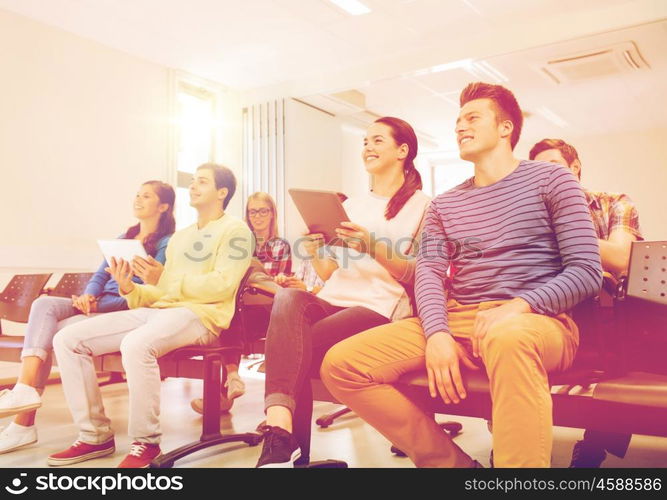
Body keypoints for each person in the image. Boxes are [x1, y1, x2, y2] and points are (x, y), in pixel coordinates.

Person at [321, 82, 603, 468]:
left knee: (509, 336)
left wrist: (517, 307)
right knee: (343, 364)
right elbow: (429, 275)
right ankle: (452, 468)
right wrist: (436, 333)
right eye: (457, 121)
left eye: (472, 118)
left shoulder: (553, 181)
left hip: (536, 320)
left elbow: (587, 270)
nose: (460, 127)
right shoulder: (445, 204)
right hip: (458, 318)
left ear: (505, 129)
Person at [47, 164, 252, 468]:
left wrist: (165, 280)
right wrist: (131, 288)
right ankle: (94, 435)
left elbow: (222, 286)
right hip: (161, 311)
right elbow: (160, 292)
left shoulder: (236, 231)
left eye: (203, 182)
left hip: (202, 316)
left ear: (222, 193)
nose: (193, 186)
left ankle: (146, 442)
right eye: (193, 181)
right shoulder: (182, 237)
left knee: (137, 344)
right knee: (67, 339)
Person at [255, 117, 431, 467]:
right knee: (289, 298)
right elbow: (328, 272)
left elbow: (417, 275)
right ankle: (281, 428)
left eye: (377, 141)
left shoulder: (424, 205)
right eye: (365, 141)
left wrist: (372, 247)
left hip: (380, 306)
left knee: (292, 345)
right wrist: (315, 248)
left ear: (403, 150)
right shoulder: (351, 206)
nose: (367, 147)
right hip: (334, 299)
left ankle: (282, 441)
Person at [0, 181, 175, 455]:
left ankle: (24, 425)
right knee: (44, 305)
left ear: (163, 206)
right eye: (137, 194)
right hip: (99, 302)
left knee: (53, 332)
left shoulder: (167, 243)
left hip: (124, 306)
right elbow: (100, 275)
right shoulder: (124, 237)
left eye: (147, 196)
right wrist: (89, 296)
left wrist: (98, 305)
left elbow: (151, 290)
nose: (138, 199)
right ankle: (24, 389)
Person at [529, 138, 643, 467]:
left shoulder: (614, 203)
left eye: (551, 166)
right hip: (551, 309)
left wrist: (566, 233)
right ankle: (517, 446)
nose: (544, 178)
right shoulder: (530, 214)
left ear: (574, 168)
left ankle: (593, 448)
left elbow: (621, 259)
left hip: (607, 314)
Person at [189, 192, 292, 414]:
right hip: (241, 306)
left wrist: (274, 279)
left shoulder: (279, 245)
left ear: (272, 214)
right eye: (253, 211)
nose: (258, 216)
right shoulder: (239, 243)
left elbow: (275, 286)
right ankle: (231, 380)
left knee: (230, 314)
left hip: (267, 308)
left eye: (263, 211)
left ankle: (227, 387)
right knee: (228, 314)